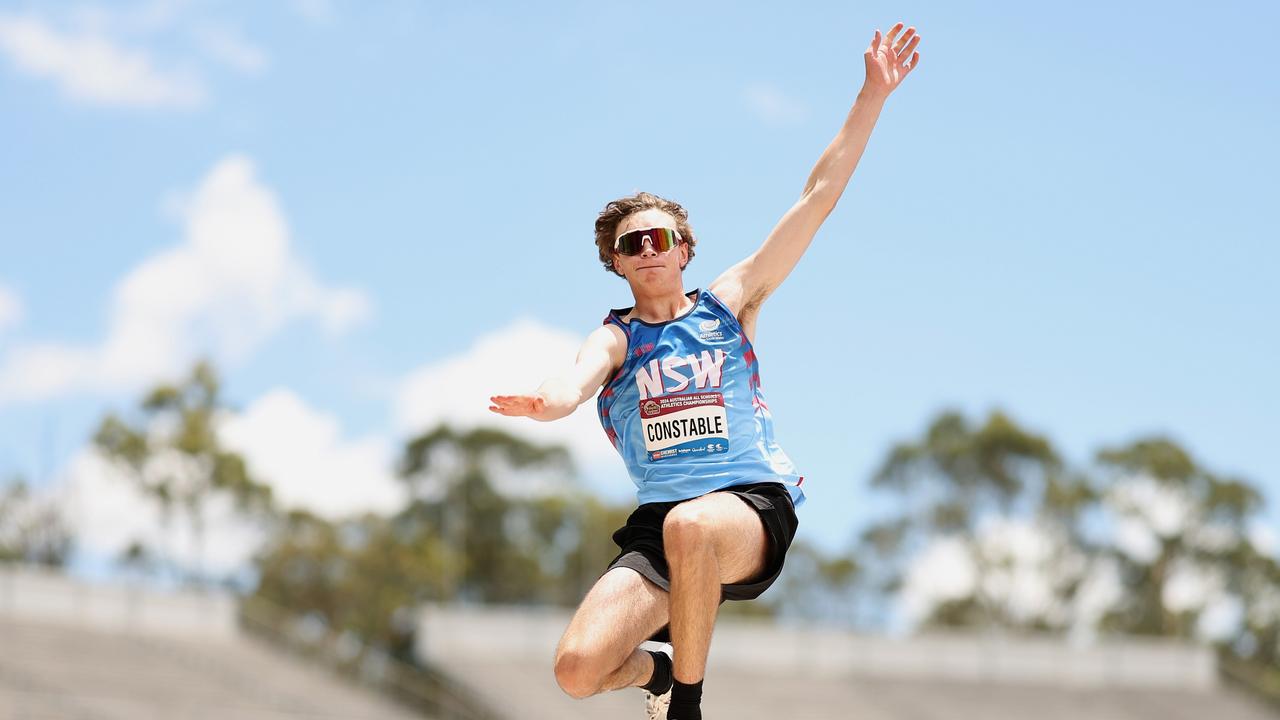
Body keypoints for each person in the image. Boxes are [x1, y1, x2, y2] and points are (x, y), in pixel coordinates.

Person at [489, 22, 921, 720]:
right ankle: (659, 674)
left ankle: (685, 707)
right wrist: (548, 403)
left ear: (685, 249)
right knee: (576, 670)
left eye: (662, 238)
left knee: (693, 525)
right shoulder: (616, 338)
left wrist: (870, 96)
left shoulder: (730, 301)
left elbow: (817, 197)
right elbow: (574, 379)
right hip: (661, 527)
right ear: (619, 263)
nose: (649, 249)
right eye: (634, 244)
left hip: (749, 507)